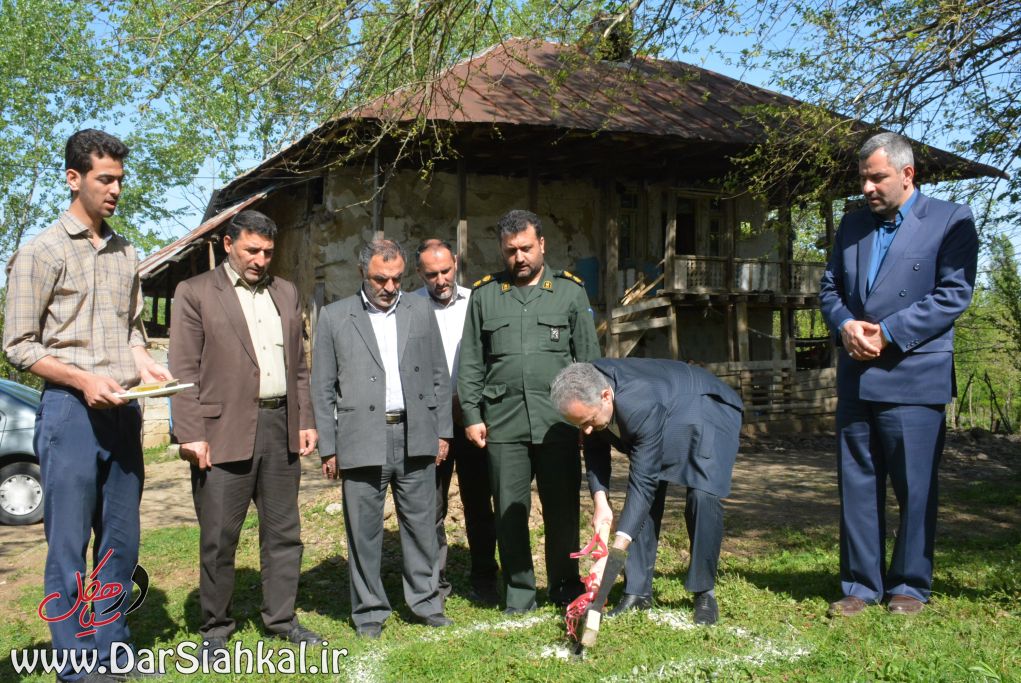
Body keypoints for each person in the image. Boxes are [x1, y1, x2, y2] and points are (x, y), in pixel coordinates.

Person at [3, 129, 172, 683]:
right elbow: (19, 346)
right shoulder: (40, 251)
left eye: (120, 179)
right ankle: (78, 665)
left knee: (120, 544)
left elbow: (132, 331)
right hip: (69, 415)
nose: (115, 189)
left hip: (123, 412)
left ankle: (111, 651)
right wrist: (80, 380)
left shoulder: (127, 253)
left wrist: (146, 366)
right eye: (105, 178)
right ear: (74, 179)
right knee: (70, 547)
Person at [819, 132, 978, 617]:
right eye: (863, 177)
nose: (867, 187)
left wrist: (886, 333)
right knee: (858, 486)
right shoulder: (850, 226)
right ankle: (860, 587)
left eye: (877, 177)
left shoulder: (952, 220)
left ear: (908, 174)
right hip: (856, 377)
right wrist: (845, 324)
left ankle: (909, 585)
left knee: (915, 487)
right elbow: (829, 289)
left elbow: (953, 295)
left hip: (913, 377)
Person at [169, 210, 323, 654]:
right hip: (221, 432)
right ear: (228, 244)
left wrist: (306, 419)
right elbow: (182, 370)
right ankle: (216, 629)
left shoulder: (286, 291)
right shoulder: (195, 292)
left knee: (284, 532)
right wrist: (190, 433)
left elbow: (299, 365)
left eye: (268, 253)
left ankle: (281, 619)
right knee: (219, 536)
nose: (260, 260)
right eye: (252, 250)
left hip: (280, 427)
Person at [458, 209, 601, 614]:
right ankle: (519, 592)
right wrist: (472, 414)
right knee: (509, 511)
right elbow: (471, 361)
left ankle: (563, 585)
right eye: (510, 251)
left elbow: (589, 361)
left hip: (558, 424)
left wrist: (588, 417)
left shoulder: (571, 292)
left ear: (542, 245)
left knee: (562, 511)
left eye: (525, 248)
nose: (519, 257)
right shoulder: (484, 295)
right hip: (503, 423)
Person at [311, 239, 453, 639]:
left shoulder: (420, 308)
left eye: (396, 279)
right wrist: (330, 445)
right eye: (380, 279)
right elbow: (321, 387)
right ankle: (369, 611)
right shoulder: (335, 317)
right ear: (362, 273)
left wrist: (442, 430)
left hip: (416, 435)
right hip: (360, 438)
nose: (390, 287)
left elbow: (439, 375)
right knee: (364, 531)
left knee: (422, 526)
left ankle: (426, 602)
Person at [551, 359, 743, 625]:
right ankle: (637, 592)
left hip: (707, 408)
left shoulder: (638, 403)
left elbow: (644, 482)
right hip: (667, 402)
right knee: (642, 500)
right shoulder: (587, 387)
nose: (586, 430)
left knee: (702, 495)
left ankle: (704, 592)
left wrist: (615, 550)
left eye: (588, 421)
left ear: (606, 396)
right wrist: (601, 502)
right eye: (579, 425)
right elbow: (595, 449)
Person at [413, 239, 500, 605]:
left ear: (457, 264)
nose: (440, 280)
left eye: (446, 271)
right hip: (429, 420)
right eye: (431, 274)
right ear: (420, 274)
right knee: (431, 506)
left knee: (479, 502)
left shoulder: (476, 302)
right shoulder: (410, 307)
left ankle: (484, 578)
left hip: (471, 416)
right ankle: (434, 582)